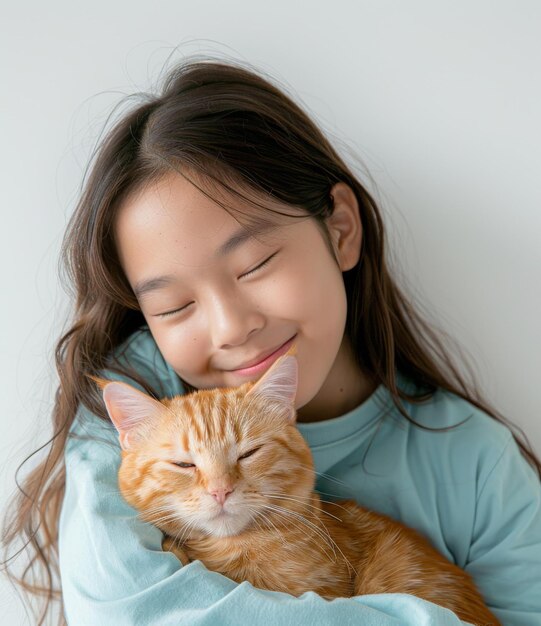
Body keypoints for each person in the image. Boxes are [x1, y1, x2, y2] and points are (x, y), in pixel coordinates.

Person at [2, 56, 540, 626]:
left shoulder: (480, 466)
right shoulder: (136, 398)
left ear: (340, 231)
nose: (232, 327)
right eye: (174, 306)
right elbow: (119, 610)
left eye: (255, 264)